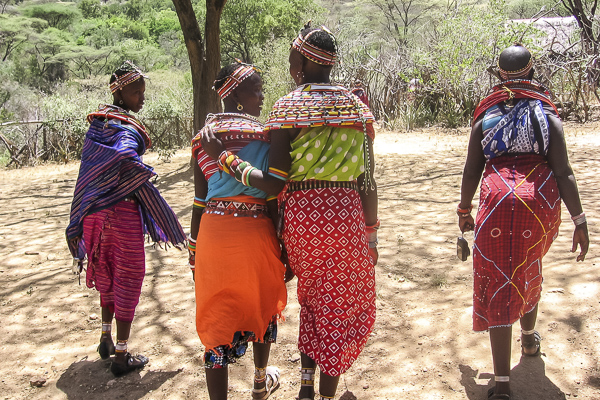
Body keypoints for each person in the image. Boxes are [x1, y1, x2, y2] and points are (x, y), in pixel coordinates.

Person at [200, 23, 379, 400]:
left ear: (301, 61)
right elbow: (368, 180)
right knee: (336, 305)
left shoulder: (287, 108)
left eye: (291, 57)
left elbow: (276, 179)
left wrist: (225, 159)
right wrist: (372, 233)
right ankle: (318, 392)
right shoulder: (358, 110)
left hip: (301, 217)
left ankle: (306, 383)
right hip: (346, 216)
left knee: (311, 299)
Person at [457, 44, 589, 400]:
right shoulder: (547, 116)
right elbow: (564, 172)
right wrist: (580, 220)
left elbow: (472, 169)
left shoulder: (486, 116)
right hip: (538, 203)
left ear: (500, 75)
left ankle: (501, 385)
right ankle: (529, 341)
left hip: (496, 199)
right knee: (528, 267)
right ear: (532, 72)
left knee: (499, 277)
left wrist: (464, 211)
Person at [66, 61, 186, 377]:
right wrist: (138, 175)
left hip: (93, 215)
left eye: (143, 92)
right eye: (136, 92)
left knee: (105, 271)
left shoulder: (98, 127)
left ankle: (105, 336)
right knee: (129, 277)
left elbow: (90, 173)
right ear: (119, 92)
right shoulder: (124, 130)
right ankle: (121, 355)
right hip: (121, 216)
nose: (141, 98)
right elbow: (123, 157)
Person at [189, 62, 289, 400]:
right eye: (256, 89)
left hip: (213, 237)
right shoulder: (265, 136)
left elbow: (200, 200)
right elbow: (274, 194)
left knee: (217, 319)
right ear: (234, 95)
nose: (262, 96)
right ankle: (259, 384)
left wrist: (193, 250)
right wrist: (282, 241)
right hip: (256, 234)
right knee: (262, 308)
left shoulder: (203, 140)